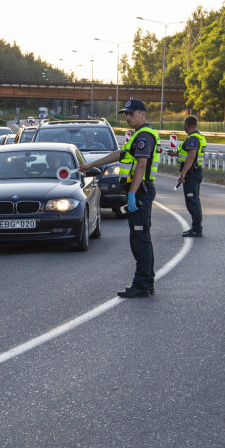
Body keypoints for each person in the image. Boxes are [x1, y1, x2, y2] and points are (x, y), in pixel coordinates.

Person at [79, 98, 159, 298]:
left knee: (139, 239)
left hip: (140, 192)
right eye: (126, 114)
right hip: (140, 191)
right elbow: (119, 154)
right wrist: (90, 165)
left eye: (131, 113)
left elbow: (141, 165)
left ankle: (141, 284)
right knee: (142, 238)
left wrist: (132, 193)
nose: (128, 117)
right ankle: (147, 282)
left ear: (142, 113)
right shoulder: (138, 135)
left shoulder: (144, 136)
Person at [177, 114, 206, 237]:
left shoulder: (193, 139)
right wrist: (175, 153)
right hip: (195, 172)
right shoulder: (198, 137)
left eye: (184, 125)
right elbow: (187, 154)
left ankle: (196, 229)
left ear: (187, 125)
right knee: (194, 200)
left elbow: (191, 156)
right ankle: (196, 227)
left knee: (192, 201)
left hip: (191, 173)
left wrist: (183, 173)